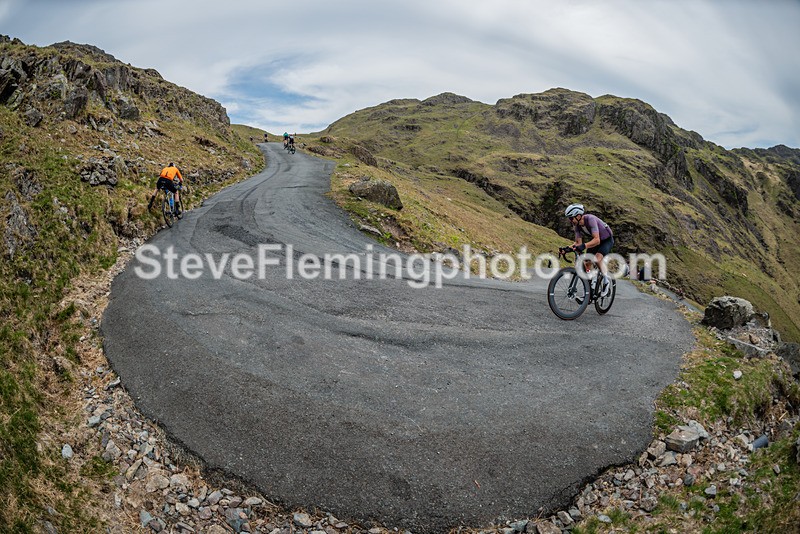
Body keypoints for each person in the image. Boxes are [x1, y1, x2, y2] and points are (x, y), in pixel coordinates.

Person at [565, 203, 614, 296]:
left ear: (578, 216)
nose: (570, 221)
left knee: (597, 259)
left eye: (571, 218)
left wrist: (584, 246)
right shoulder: (577, 226)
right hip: (596, 242)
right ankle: (593, 281)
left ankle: (606, 281)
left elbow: (597, 239)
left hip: (606, 240)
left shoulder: (590, 219)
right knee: (587, 263)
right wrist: (567, 249)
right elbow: (578, 243)